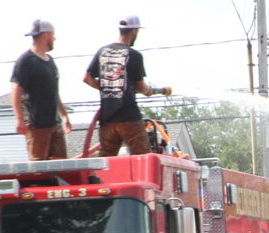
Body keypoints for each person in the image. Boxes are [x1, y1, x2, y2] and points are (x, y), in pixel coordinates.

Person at [83, 15, 170, 157]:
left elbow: (87, 78)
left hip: (107, 119)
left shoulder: (102, 52)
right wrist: (148, 91)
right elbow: (142, 88)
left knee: (105, 161)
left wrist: (109, 86)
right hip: (129, 117)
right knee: (143, 158)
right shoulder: (134, 55)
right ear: (134, 31)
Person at [10, 19, 72, 161]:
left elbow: (54, 92)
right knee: (39, 169)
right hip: (36, 126)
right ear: (46, 35)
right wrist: (19, 119)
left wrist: (64, 115)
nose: (54, 38)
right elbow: (15, 89)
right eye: (53, 35)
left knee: (61, 166)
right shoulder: (26, 61)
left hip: (54, 124)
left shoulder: (49, 61)